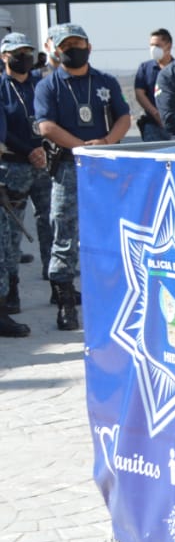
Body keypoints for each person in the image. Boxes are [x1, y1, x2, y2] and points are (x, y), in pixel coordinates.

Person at [34, 23, 131, 331]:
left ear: (89, 46)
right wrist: (80, 148)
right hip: (67, 167)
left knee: (111, 229)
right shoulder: (49, 85)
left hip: (105, 166)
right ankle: (65, 303)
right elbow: (45, 126)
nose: (72, 49)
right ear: (56, 50)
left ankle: (112, 296)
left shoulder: (105, 81)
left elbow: (124, 118)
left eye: (78, 43)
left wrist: (103, 144)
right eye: (66, 45)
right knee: (63, 233)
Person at [0, 33, 50, 337]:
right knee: (11, 232)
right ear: (4, 56)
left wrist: (43, 148)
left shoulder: (39, 84)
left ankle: (58, 282)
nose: (23, 57)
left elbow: (50, 117)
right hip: (14, 165)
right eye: (17, 52)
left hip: (43, 162)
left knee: (50, 221)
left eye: (27, 52)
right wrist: (27, 151)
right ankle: (12, 290)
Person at [134, 28, 174, 142]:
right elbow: (139, 94)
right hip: (152, 125)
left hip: (174, 125)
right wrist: (156, 114)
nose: (153, 49)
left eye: (157, 45)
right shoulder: (145, 68)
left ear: (168, 46)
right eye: (151, 45)